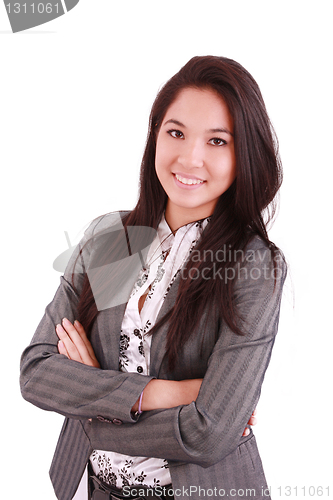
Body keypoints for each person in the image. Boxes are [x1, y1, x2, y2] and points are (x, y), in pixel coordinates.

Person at [20, 55, 287, 500]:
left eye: (218, 141)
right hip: (93, 487)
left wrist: (90, 408)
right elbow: (36, 372)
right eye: (176, 133)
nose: (191, 157)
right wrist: (167, 393)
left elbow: (211, 433)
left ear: (245, 154)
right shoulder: (110, 237)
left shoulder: (254, 264)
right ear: (155, 136)